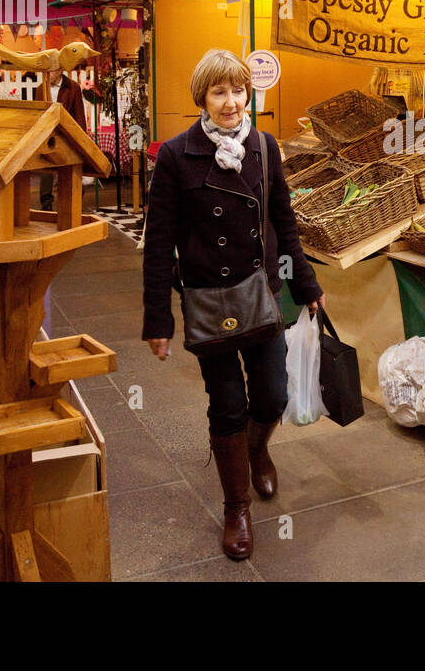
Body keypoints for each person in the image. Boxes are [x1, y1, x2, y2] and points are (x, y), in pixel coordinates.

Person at [141, 49, 324, 561]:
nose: (231, 102)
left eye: (238, 91)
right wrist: (157, 316)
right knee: (226, 404)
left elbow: (284, 222)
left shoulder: (265, 148)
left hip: (262, 294)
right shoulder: (177, 156)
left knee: (272, 397)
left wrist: (306, 285)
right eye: (219, 92)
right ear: (202, 96)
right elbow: (159, 243)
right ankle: (235, 507)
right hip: (207, 299)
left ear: (249, 93)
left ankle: (256, 449)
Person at [40, 68, 88, 210]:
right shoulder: (41, 88)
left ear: (60, 70)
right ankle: (46, 204)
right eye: (46, 72)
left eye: (52, 71)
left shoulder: (72, 88)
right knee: (46, 168)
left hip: (67, 134)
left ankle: (71, 201)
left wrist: (81, 139)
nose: (49, 75)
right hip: (47, 134)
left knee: (69, 168)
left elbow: (79, 114)